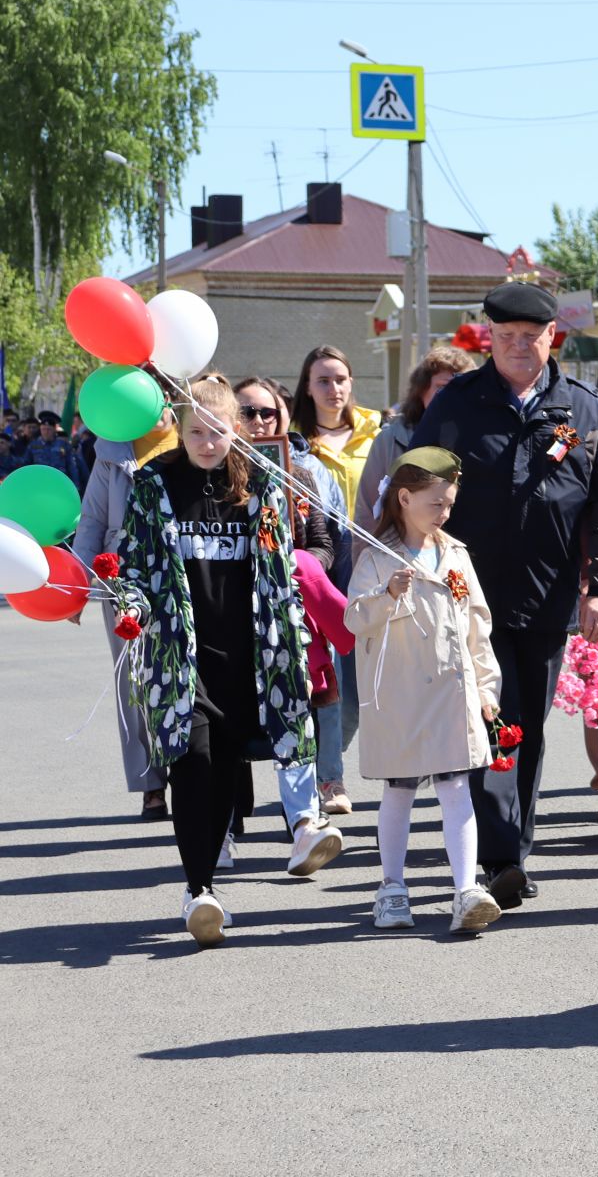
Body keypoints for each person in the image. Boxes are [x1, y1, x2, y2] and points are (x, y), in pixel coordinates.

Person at [408, 281, 598, 910]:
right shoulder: (458, 404)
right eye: (504, 338)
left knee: (524, 728)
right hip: (462, 597)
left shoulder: (583, 411)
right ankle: (491, 856)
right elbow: (416, 489)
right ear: (490, 338)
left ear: (551, 338)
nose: (516, 349)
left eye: (528, 338)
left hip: (545, 598)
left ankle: (508, 853)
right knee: (479, 720)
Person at [118, 376, 318, 945]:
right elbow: (134, 563)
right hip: (181, 654)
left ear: (236, 429)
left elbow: (281, 567)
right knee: (193, 762)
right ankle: (199, 888)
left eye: (220, 431)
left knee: (227, 767)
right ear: (179, 431)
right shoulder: (156, 482)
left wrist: (293, 633)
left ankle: (211, 876)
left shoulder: (259, 483)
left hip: (249, 653)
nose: (209, 443)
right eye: (197, 432)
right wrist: (130, 604)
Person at [345, 448, 504, 933]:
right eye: (436, 503)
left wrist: (486, 686)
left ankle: (466, 890)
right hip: (399, 697)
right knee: (399, 789)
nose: (444, 512)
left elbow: (478, 624)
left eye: (450, 504)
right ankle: (392, 887)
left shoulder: (455, 554)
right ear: (406, 497)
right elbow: (354, 619)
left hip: (453, 696)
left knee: (456, 787)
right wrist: (386, 594)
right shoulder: (376, 558)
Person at [226, 377, 350, 871]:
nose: (260, 423)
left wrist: (292, 564)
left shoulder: (299, 472)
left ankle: (300, 826)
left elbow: (324, 542)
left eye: (269, 414)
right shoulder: (212, 472)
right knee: (231, 721)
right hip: (231, 616)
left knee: (294, 712)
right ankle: (224, 827)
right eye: (248, 413)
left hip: (288, 617)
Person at [72, 405, 180, 820]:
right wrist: (81, 587)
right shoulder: (111, 451)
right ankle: (150, 784)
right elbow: (93, 520)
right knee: (133, 680)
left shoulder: (195, 437)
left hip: (185, 569)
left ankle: (191, 769)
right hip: (122, 574)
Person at [291, 344, 383, 814]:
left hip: (374, 558)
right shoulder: (291, 444)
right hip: (323, 558)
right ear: (306, 386)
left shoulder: (377, 433)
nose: (334, 388)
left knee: (370, 684)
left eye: (341, 379)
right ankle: (330, 779)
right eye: (323, 380)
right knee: (333, 678)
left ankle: (325, 758)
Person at [355, 347, 478, 520]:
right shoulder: (390, 439)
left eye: (458, 388)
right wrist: (368, 548)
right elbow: (367, 510)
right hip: (396, 545)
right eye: (442, 387)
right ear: (422, 390)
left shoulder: (480, 440)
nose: (450, 395)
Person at [27, 412, 87, 488]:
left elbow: (71, 466)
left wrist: (75, 486)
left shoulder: (64, 444)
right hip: (39, 484)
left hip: (60, 484)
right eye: (43, 429)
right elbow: (26, 464)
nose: (46, 432)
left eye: (49, 429)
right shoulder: (33, 445)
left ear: (55, 429)